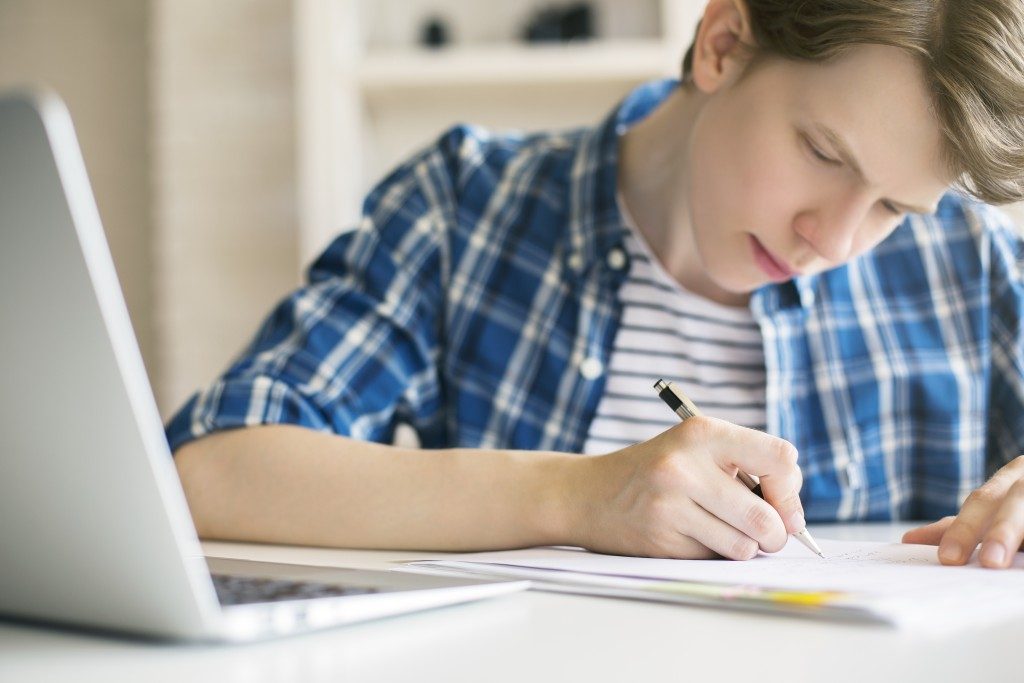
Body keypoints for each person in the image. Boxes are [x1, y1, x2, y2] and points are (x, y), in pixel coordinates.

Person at [167, 0, 1024, 568]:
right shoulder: (466, 207)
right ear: (722, 44)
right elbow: (209, 470)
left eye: (894, 209)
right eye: (824, 154)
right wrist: (577, 495)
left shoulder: (969, 264)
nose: (833, 240)